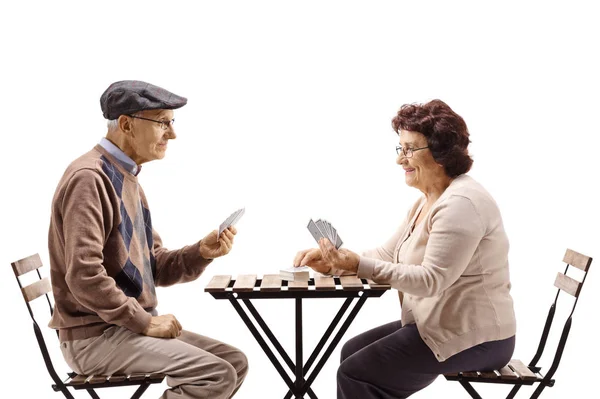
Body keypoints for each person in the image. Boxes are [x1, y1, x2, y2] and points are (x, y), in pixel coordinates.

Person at [294, 99, 516, 398]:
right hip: (439, 324)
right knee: (351, 353)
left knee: (357, 373)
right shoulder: (429, 200)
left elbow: (430, 280)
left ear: (441, 153)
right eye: (401, 149)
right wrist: (335, 263)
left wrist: (356, 264)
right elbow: (386, 256)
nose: (401, 160)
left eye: (410, 149)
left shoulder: (460, 204)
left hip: (477, 338)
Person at [48, 80, 248, 399]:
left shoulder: (126, 177)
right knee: (215, 373)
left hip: (119, 329)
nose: (172, 134)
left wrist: (200, 253)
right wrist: (142, 322)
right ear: (127, 124)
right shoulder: (90, 179)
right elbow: (84, 276)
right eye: (163, 122)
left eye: (172, 123)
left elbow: (153, 268)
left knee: (233, 363)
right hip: (94, 339)